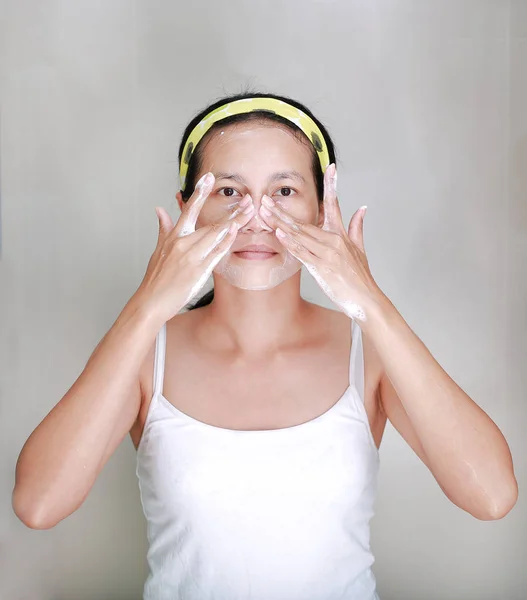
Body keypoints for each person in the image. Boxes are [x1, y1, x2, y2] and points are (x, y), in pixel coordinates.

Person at [12, 92, 518, 600]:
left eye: (284, 190)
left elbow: (492, 496)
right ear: (188, 207)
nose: (256, 218)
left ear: (323, 210)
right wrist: (147, 305)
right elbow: (39, 504)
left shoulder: (370, 356)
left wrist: (371, 302)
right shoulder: (146, 355)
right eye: (229, 192)